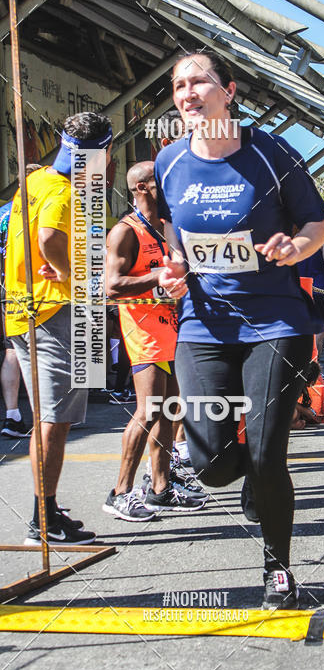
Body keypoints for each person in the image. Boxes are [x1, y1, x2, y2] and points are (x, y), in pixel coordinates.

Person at [154, 49, 324, 609]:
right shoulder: (169, 162)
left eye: (198, 81)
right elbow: (175, 234)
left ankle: (278, 572)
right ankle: (249, 473)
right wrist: (173, 269)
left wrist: (293, 247)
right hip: (203, 325)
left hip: (274, 323)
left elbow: (317, 224)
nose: (187, 93)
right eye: (179, 85)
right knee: (209, 465)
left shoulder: (274, 153)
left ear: (228, 90)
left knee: (268, 451)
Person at [5, 113, 113, 544]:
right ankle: (43, 521)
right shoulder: (64, 192)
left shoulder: (31, 183)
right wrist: (75, 279)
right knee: (56, 420)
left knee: (50, 418)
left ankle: (45, 508)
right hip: (55, 313)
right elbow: (49, 237)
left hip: (24, 309)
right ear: (101, 152)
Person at [103, 161, 207, 521]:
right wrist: (158, 276)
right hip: (143, 332)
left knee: (170, 408)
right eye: (164, 183)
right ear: (142, 188)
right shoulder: (124, 232)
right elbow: (112, 287)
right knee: (147, 411)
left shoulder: (167, 226)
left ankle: (160, 487)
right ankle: (119, 493)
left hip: (173, 328)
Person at [0, 164, 41, 438]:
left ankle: (12, 414)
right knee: (43, 351)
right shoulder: (37, 209)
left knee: (13, 349)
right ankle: (47, 416)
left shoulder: (4, 213)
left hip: (6, 290)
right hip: (38, 289)